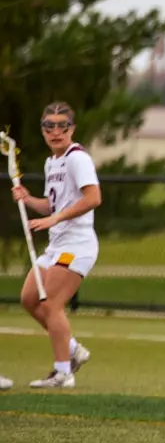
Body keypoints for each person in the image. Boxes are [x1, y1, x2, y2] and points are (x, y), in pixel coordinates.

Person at [10, 102, 100, 389]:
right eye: (50, 126)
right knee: (29, 299)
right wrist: (28, 199)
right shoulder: (52, 162)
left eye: (63, 126)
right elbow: (51, 203)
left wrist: (55, 218)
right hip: (57, 244)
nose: (56, 131)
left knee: (51, 304)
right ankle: (72, 349)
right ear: (43, 131)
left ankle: (63, 372)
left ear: (72, 129)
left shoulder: (77, 158)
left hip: (77, 243)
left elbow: (92, 198)